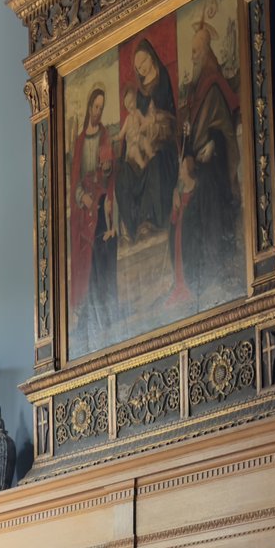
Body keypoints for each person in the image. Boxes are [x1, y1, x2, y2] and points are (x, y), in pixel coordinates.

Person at [173, 13, 244, 309]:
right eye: (191, 52)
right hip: (198, 165)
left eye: (196, 52)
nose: (192, 57)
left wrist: (213, 142)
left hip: (214, 167)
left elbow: (224, 127)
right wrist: (187, 141)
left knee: (204, 202)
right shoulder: (194, 89)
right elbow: (189, 133)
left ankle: (211, 266)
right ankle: (193, 276)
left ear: (206, 53)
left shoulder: (213, 85)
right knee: (183, 215)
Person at [67, 83, 118, 352]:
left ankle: (103, 308)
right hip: (84, 204)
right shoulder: (79, 142)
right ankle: (86, 312)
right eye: (95, 107)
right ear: (89, 107)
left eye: (101, 107)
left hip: (99, 199)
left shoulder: (105, 134)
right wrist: (81, 197)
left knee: (100, 251)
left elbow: (108, 171)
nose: (98, 111)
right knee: (85, 259)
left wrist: (107, 170)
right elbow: (75, 178)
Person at [116, 40, 179, 245]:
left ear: (151, 57)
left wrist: (154, 124)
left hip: (163, 148)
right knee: (123, 175)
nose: (141, 68)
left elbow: (171, 123)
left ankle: (150, 221)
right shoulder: (140, 96)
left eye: (143, 62)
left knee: (155, 163)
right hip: (142, 148)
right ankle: (130, 230)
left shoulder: (162, 83)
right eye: (137, 67)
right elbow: (133, 127)